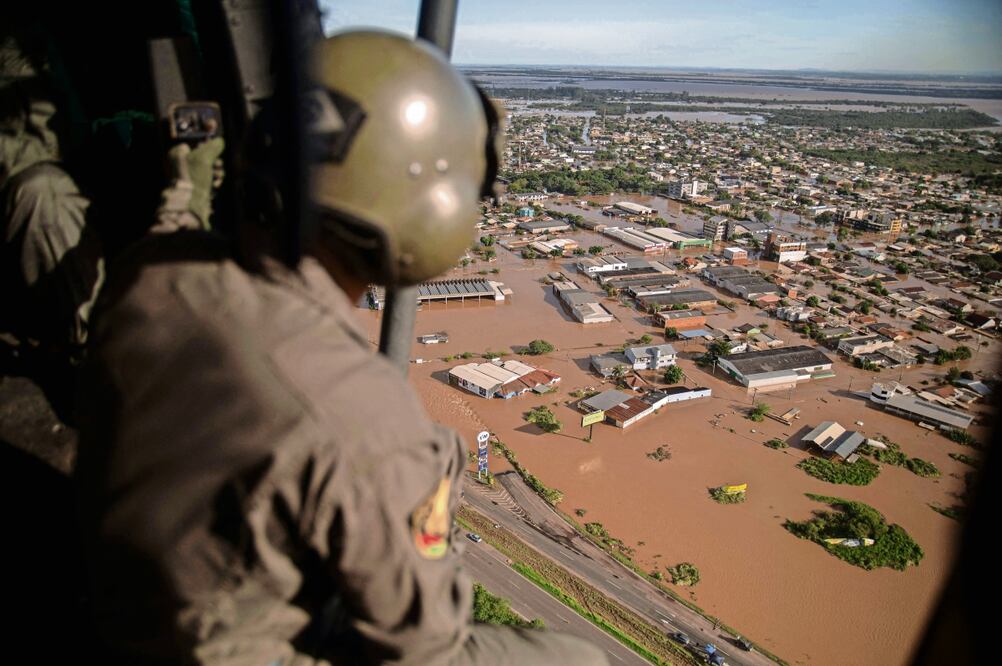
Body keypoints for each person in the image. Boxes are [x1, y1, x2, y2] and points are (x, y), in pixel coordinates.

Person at [75, 30, 607, 665]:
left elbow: (177, 214)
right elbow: (425, 648)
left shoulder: (155, 270)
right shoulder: (364, 417)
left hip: (114, 600)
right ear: (428, 213)